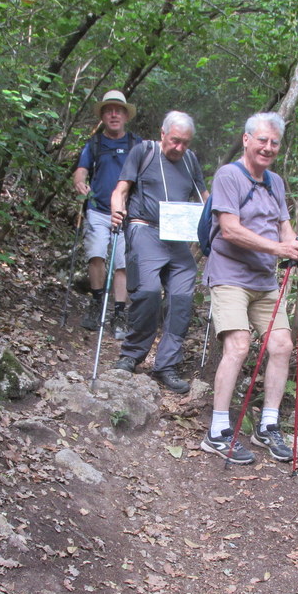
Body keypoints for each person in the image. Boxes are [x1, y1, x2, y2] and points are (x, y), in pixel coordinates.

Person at [198, 112, 298, 464]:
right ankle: (217, 431)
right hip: (229, 273)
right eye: (261, 140)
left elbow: (283, 229)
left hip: (264, 280)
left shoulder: (275, 182)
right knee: (238, 345)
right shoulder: (229, 176)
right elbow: (230, 229)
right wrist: (278, 249)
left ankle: (267, 426)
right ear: (247, 140)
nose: (267, 147)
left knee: (281, 345)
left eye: (274, 143)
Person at [109, 111, 208, 394]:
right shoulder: (145, 151)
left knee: (181, 297)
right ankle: (131, 354)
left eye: (185, 143)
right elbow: (121, 189)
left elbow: (205, 198)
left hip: (177, 238)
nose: (179, 148)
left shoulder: (190, 160)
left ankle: (167, 365)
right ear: (162, 133)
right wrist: (117, 209)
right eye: (175, 141)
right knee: (148, 291)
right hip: (145, 229)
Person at [73, 89, 138, 339]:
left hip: (128, 212)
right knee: (96, 254)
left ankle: (120, 312)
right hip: (98, 209)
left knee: (121, 262)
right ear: (102, 115)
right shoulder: (95, 143)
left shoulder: (136, 144)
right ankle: (98, 301)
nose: (113, 114)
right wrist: (80, 182)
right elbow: (81, 169)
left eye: (118, 110)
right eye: (108, 110)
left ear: (125, 115)